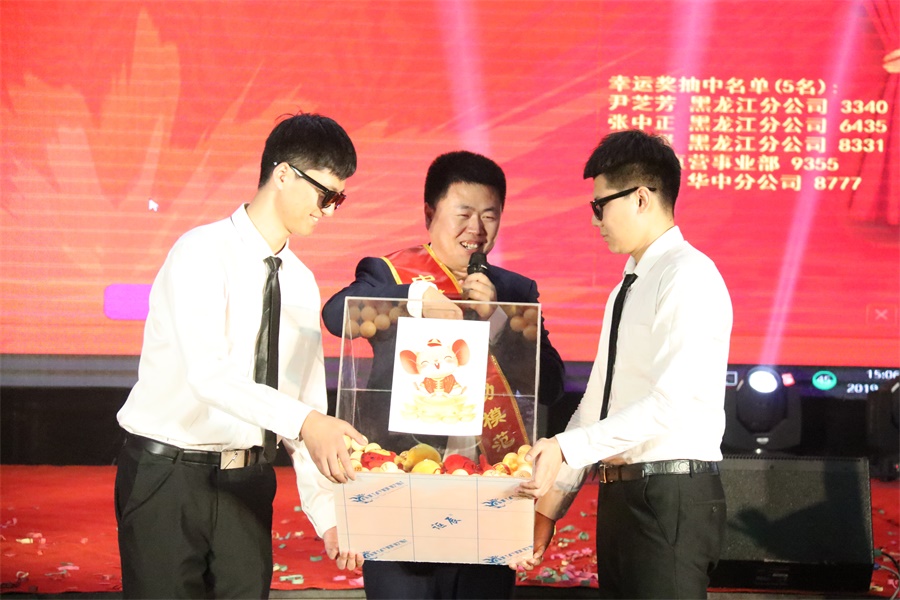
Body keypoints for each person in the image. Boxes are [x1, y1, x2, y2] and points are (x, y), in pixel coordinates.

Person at [115, 112, 367, 599]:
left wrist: (329, 515)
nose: (329, 211)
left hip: (248, 482)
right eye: (325, 195)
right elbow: (209, 376)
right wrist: (307, 422)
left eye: (339, 199)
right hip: (168, 479)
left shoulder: (300, 282)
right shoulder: (200, 252)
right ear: (284, 174)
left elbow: (305, 404)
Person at [321, 150, 566, 599]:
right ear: (430, 214)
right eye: (464, 214)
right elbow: (337, 316)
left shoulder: (515, 291)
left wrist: (496, 320)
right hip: (401, 488)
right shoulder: (388, 273)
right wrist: (416, 299)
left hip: (488, 493)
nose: (477, 229)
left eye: (489, 215)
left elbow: (550, 384)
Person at [516, 129, 733, 599]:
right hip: (623, 496)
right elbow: (596, 405)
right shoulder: (626, 287)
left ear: (640, 198)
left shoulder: (688, 276)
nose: (595, 219)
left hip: (670, 495)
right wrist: (548, 509)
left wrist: (565, 448)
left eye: (600, 205)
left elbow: (670, 404)